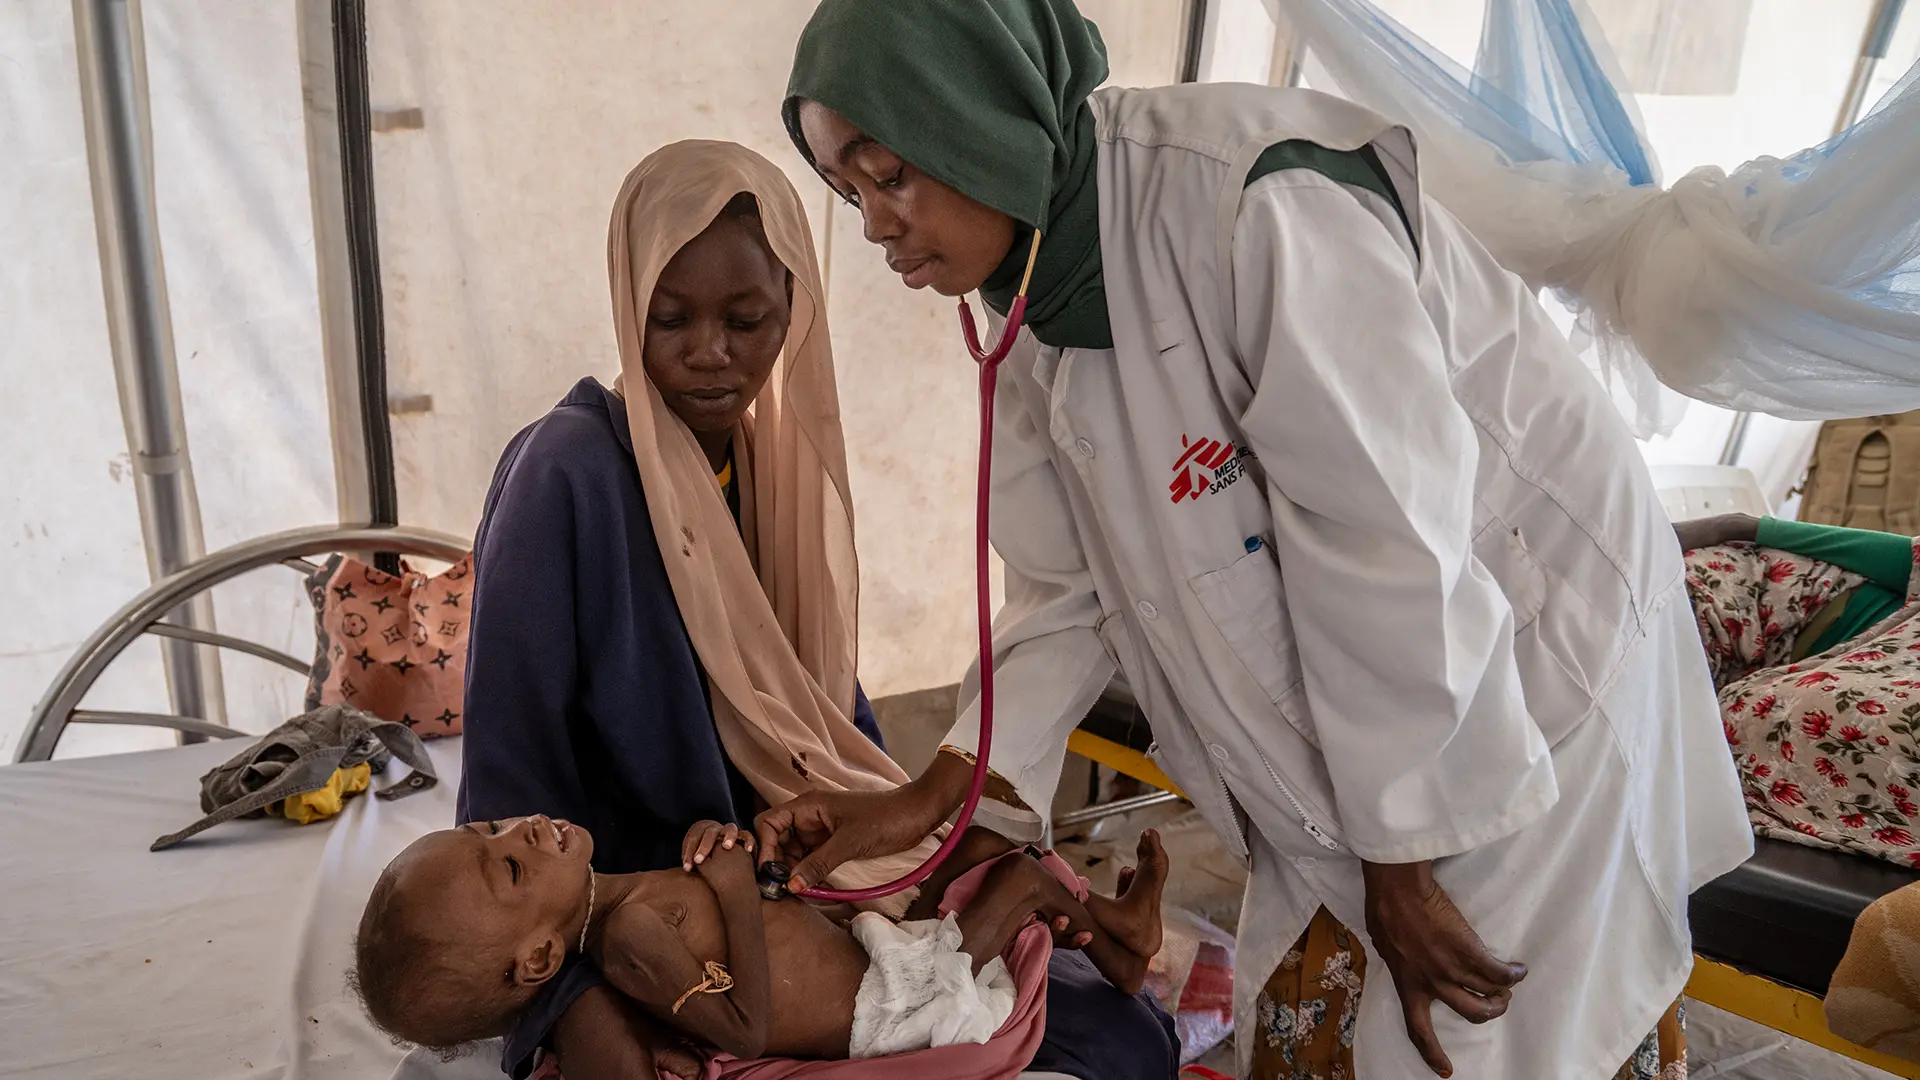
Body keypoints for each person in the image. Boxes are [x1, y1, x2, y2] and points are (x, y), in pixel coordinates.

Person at [752, 3, 1754, 1079]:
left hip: (1520, 686)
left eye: (888, 171)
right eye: (848, 191)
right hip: (1370, 733)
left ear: (979, 117)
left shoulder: (1257, 199)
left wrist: (1405, 853)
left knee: (1473, 1037)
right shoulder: (1038, 301)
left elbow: (1390, 539)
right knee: (1334, 1012)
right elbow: (1064, 588)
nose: (873, 225)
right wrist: (948, 787)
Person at [455, 139, 1178, 1080]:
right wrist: (565, 1006)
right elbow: (506, 798)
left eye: (747, 321)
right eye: (669, 318)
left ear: (795, 311)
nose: (710, 353)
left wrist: (879, 824)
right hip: (650, 914)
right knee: (1065, 1040)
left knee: (1113, 1022)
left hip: (780, 877)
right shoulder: (567, 474)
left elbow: (817, 715)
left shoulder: (772, 477)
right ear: (629, 306)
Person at [354, 815, 1170, 1065]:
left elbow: (763, 924)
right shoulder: (630, 934)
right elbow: (743, 1024)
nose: (526, 829)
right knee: (1019, 880)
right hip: (889, 1005)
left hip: (871, 957)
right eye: (510, 866)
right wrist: (737, 892)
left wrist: (734, 855)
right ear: (536, 958)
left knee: (985, 843)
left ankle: (1122, 943)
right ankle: (1124, 945)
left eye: (493, 826)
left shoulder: (632, 896)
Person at [1678, 514, 1920, 866]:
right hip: (1805, 597)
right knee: (1686, 579)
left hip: (1827, 676)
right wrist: (1742, 526)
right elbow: (1906, 558)